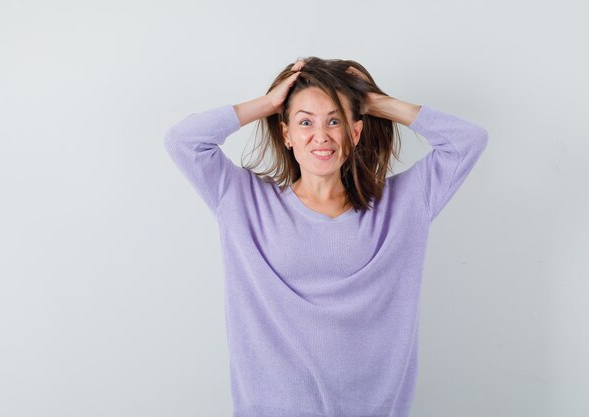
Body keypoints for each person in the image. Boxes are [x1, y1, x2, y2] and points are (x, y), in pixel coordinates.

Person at [163, 56, 488, 417]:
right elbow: (183, 141)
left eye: (335, 120)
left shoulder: (403, 206)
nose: (321, 135)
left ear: (355, 132)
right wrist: (269, 103)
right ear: (286, 134)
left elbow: (468, 141)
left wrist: (376, 101)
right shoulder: (242, 200)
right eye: (305, 122)